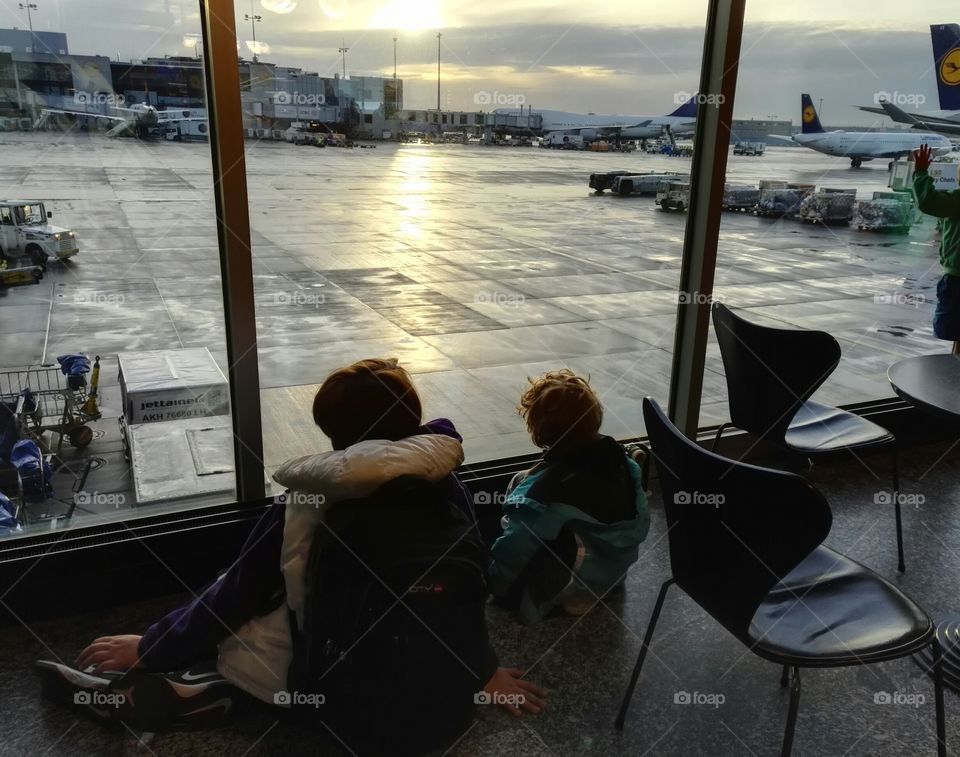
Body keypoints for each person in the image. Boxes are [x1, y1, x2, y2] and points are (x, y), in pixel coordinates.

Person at [43, 358, 545, 744]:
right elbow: (461, 593)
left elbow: (234, 595)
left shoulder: (304, 503)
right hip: (443, 712)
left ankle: (202, 690)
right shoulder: (447, 488)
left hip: (340, 714)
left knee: (245, 604)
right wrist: (484, 670)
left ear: (336, 435)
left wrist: (152, 644)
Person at [487, 369, 650, 624]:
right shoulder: (624, 465)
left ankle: (576, 593)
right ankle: (599, 579)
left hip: (575, 581)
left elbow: (516, 549)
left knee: (520, 488)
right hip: (613, 570)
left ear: (540, 430)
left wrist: (494, 580)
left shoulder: (545, 496)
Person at [913, 143, 960, 355]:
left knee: (954, 330)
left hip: (957, 278)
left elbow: (927, 202)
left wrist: (921, 172)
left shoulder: (957, 200)